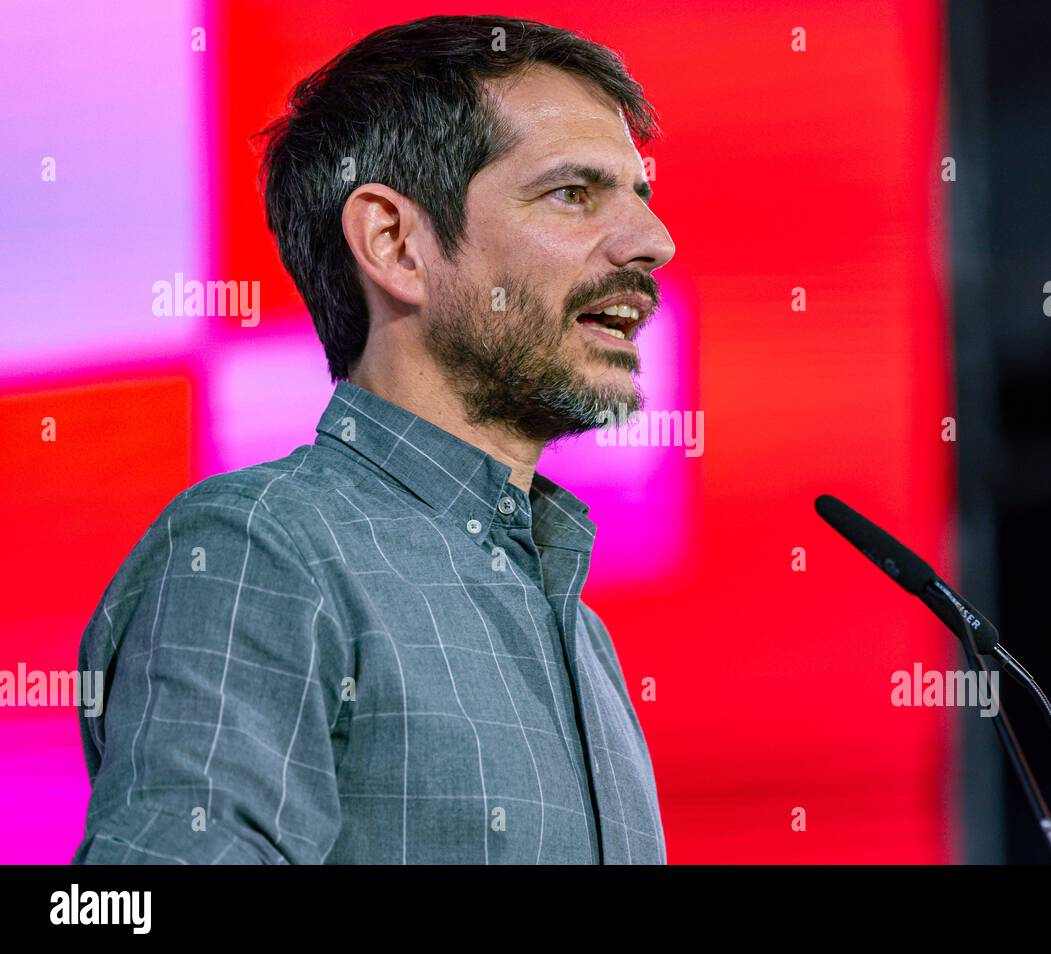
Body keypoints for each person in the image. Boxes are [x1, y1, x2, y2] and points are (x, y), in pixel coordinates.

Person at [73, 14, 675, 864]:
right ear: (395, 244)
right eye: (574, 193)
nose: (654, 243)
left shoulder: (582, 632)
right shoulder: (261, 554)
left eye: (640, 196)